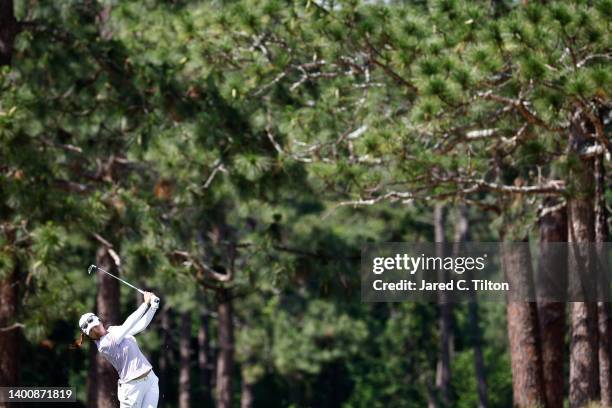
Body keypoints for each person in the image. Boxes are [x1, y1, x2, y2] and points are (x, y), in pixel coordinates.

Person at [75, 291, 161, 408]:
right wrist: (145, 303)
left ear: (99, 321)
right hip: (132, 389)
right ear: (89, 335)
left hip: (150, 379)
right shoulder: (104, 345)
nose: (96, 330)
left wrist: (153, 308)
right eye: (92, 331)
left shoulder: (113, 330)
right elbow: (128, 324)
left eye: (95, 326)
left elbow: (139, 326)